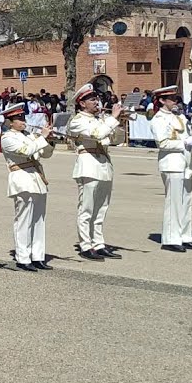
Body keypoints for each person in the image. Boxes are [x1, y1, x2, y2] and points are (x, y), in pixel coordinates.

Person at [65, 84, 125, 261]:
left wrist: (119, 122)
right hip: (88, 165)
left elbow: (116, 139)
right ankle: (86, 245)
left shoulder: (101, 119)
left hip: (104, 164)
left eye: (96, 99)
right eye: (92, 100)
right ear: (82, 103)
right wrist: (112, 119)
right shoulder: (77, 121)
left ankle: (98, 243)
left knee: (101, 209)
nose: (96, 102)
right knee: (87, 209)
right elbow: (97, 134)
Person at [0, 102, 56, 271]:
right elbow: (26, 150)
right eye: (19, 119)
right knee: (23, 220)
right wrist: (42, 138)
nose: (23, 121)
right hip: (21, 178)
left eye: (23, 118)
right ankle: (23, 257)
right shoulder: (7, 137)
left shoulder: (29, 135)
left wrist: (49, 141)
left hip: (36, 178)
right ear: (10, 122)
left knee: (39, 220)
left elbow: (45, 154)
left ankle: (37, 256)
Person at [149, 86, 192, 253]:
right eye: (171, 99)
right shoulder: (158, 119)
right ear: (162, 100)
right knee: (174, 202)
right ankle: (171, 238)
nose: (175, 101)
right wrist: (183, 143)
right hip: (172, 163)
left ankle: (185, 236)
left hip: (186, 162)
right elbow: (162, 143)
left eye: (175, 98)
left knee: (186, 202)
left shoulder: (179, 116)